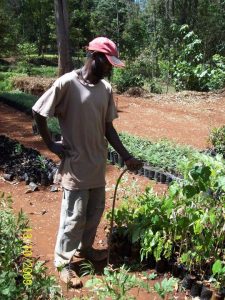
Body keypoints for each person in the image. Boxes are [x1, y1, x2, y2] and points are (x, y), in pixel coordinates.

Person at [32, 37, 143, 288]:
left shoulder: (105, 89)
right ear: (96, 57)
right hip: (75, 165)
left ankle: (86, 250)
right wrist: (51, 145)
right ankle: (63, 263)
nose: (111, 68)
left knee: (94, 213)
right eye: (108, 63)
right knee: (73, 218)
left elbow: (108, 127)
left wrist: (126, 156)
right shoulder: (67, 83)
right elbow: (38, 111)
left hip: (96, 165)